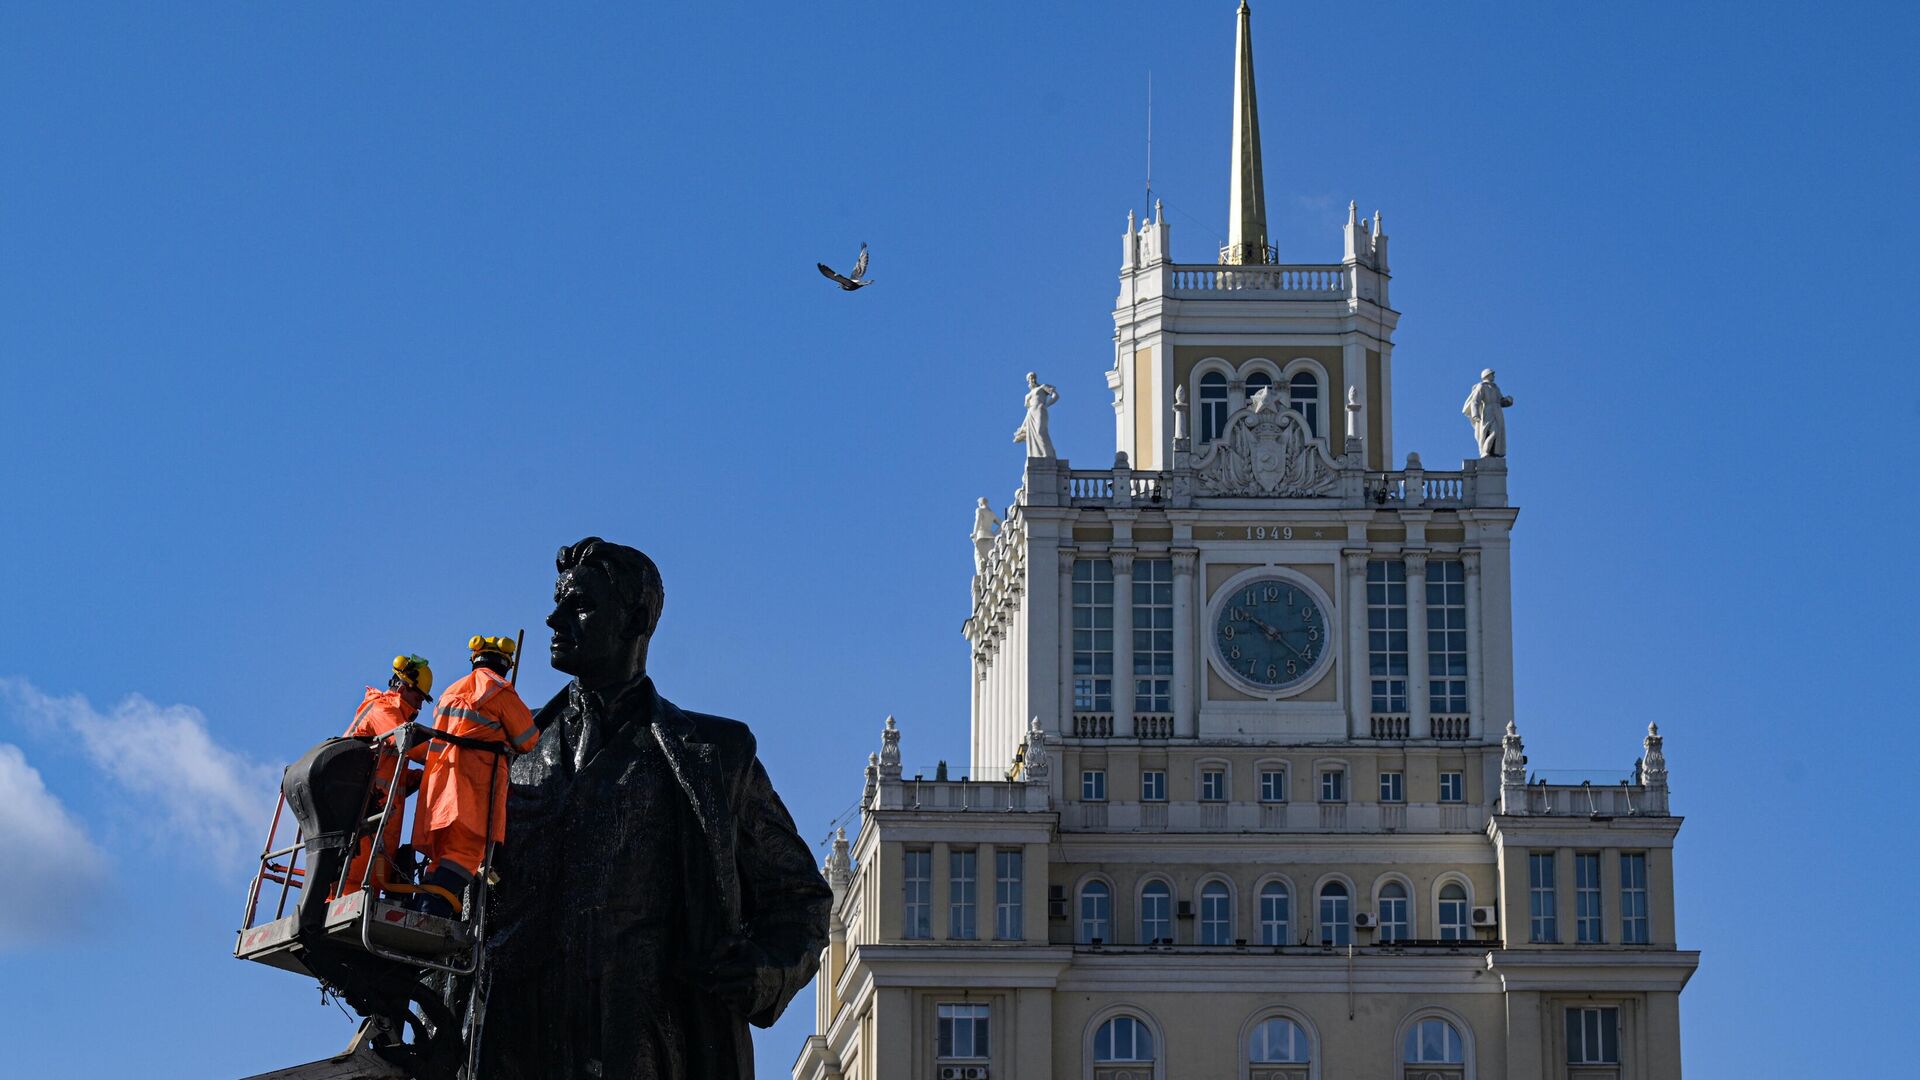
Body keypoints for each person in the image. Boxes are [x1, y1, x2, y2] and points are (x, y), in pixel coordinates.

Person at [478, 537, 831, 1079]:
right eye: (557, 601)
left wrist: (764, 972)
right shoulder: (507, 755)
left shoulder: (716, 756)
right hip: (517, 1046)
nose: (553, 618)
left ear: (636, 618)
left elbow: (799, 899)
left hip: (651, 1047)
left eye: (580, 605)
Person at [410, 635, 538, 917]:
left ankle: (420, 908)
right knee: (465, 856)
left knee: (441, 859)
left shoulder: (449, 692)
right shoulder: (500, 690)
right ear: (505, 665)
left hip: (440, 791)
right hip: (473, 791)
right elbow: (528, 740)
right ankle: (428, 916)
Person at [336, 654, 432, 898]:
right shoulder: (383, 709)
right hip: (360, 815)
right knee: (348, 883)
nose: (419, 707)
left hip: (376, 817)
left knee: (368, 883)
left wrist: (416, 778)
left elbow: (388, 768)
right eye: (417, 697)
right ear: (401, 686)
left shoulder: (392, 716)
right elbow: (412, 746)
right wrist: (453, 754)